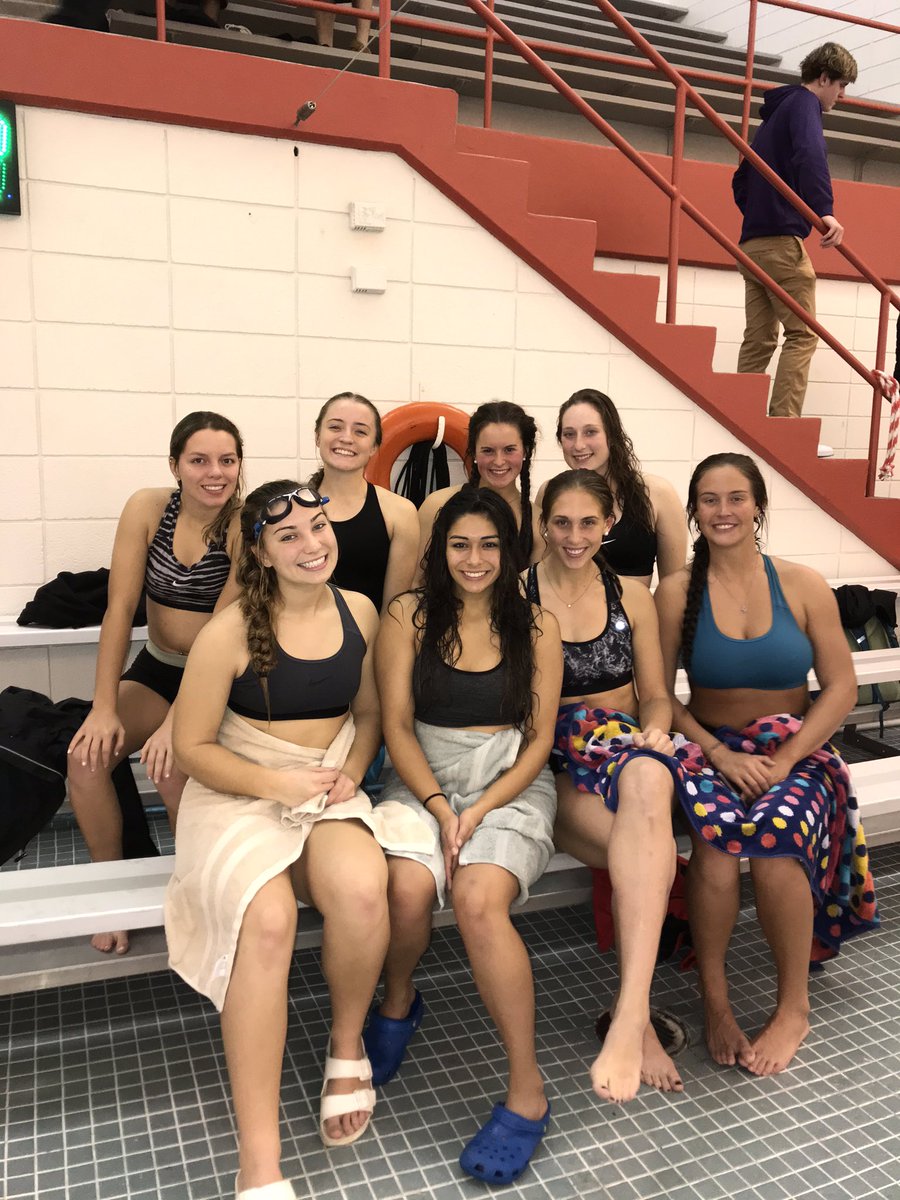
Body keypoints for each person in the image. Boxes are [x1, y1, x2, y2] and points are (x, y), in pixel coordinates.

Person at [166, 480, 433, 1200]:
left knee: (362, 892)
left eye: (319, 527)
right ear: (261, 552)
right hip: (236, 789)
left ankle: (346, 1046)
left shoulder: (362, 612)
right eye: (290, 537)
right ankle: (259, 1161)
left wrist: (349, 770)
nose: (312, 544)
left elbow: (371, 713)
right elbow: (192, 747)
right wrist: (275, 784)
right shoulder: (229, 632)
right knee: (270, 919)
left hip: (324, 782)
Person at [655, 453, 879, 1076]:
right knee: (720, 851)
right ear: (695, 511)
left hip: (795, 751)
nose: (722, 511)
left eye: (735, 498)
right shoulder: (675, 591)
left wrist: (785, 758)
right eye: (708, 500)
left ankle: (793, 1008)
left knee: (778, 842)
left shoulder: (803, 585)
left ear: (758, 505)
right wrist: (718, 752)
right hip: (709, 750)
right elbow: (659, 696)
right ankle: (717, 1002)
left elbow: (840, 688)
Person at [367, 486, 563, 1185]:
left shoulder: (537, 624)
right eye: (459, 544)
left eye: (488, 545)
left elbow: (539, 741)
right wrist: (440, 807)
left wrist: (477, 813)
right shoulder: (408, 615)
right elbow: (394, 724)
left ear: (510, 552)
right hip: (423, 774)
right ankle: (398, 996)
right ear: (438, 551)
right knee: (407, 888)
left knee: (479, 900)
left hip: (509, 782)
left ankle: (527, 1090)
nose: (474, 559)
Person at [527, 469, 683, 1103]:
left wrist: (652, 732)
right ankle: (636, 1016)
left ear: (610, 524)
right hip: (554, 763)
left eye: (587, 523)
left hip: (624, 750)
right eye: (561, 522)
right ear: (542, 524)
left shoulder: (631, 596)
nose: (573, 536)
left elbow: (657, 699)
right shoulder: (517, 595)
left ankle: (630, 1016)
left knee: (648, 773)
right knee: (646, 854)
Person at [67, 411, 244, 955]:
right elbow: (120, 609)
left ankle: (192, 889)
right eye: (199, 460)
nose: (214, 473)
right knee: (85, 757)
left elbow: (220, 633)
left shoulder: (245, 525)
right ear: (175, 466)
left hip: (219, 677)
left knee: (173, 773)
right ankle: (110, 888)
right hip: (157, 666)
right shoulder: (148, 510)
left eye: (227, 461)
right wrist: (103, 706)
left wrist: (175, 725)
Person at [733, 43, 858, 455]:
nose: (841, 96)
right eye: (840, 86)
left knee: (760, 337)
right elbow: (811, 154)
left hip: (751, 243)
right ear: (823, 78)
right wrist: (824, 211)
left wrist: (758, 215)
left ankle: (738, 416)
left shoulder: (772, 117)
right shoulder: (805, 104)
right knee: (803, 333)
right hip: (781, 242)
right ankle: (784, 429)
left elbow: (742, 178)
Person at [533, 390, 686, 584]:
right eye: (569, 434)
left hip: (633, 613)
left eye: (590, 432)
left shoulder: (656, 494)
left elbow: (674, 587)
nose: (579, 445)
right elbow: (542, 574)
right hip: (564, 613)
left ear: (612, 435)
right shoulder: (549, 492)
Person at [310, 391, 419, 613]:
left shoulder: (399, 512)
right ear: (317, 436)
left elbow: (392, 612)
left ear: (374, 446)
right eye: (335, 427)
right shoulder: (292, 507)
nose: (347, 438)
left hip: (368, 642)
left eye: (360, 431)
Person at [416, 401, 538, 576]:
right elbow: (416, 581)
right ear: (473, 452)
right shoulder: (436, 505)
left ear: (526, 451)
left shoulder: (536, 521)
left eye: (509, 450)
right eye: (488, 451)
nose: (498, 461)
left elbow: (535, 591)